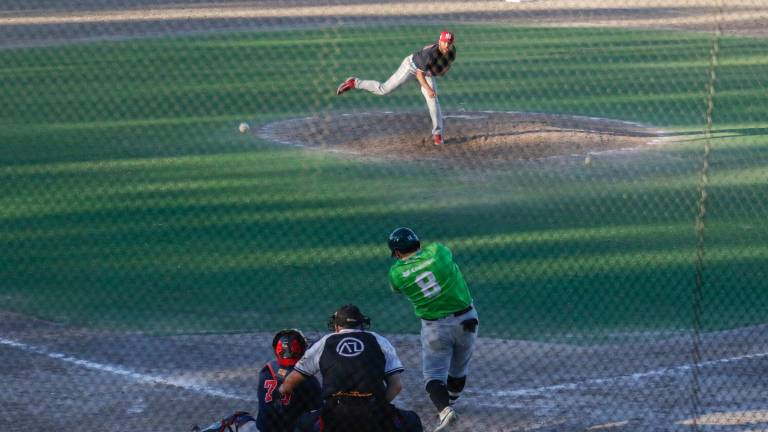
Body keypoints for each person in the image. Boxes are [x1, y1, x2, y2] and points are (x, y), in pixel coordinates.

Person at [387, 228, 479, 432]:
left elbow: (397, 288)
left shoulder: (397, 273)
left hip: (435, 328)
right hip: (467, 320)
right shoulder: (437, 251)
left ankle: (444, 409)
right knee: (459, 369)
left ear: (398, 253)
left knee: (433, 375)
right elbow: (439, 256)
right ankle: (452, 402)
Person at [279, 304, 422, 432]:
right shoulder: (380, 341)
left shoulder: (324, 342)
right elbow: (396, 386)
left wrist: (283, 391)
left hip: (334, 416)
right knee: (412, 420)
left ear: (337, 326)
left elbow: (288, 384)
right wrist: (378, 406)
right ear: (361, 324)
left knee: (301, 423)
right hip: (375, 414)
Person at [335, 30, 457, 146]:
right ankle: (354, 82)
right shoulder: (430, 54)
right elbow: (420, 74)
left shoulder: (451, 52)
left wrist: (440, 72)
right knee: (383, 89)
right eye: (444, 42)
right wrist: (429, 90)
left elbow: (440, 61)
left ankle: (437, 134)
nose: (446, 44)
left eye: (449, 42)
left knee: (433, 101)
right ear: (440, 41)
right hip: (411, 67)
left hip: (426, 71)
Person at [256, 329, 322, 431]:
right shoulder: (306, 378)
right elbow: (317, 407)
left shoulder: (266, 371)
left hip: (265, 428)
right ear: (301, 351)